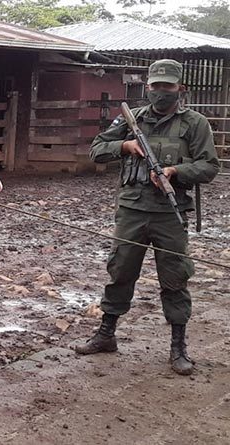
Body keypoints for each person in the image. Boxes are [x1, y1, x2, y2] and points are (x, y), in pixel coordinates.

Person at [77, 59, 220, 375]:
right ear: (148, 87)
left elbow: (210, 166)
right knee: (120, 272)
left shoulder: (195, 124)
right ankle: (106, 334)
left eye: (167, 86)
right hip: (131, 211)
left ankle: (178, 346)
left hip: (170, 214)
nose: (160, 92)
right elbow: (96, 149)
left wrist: (175, 171)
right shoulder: (132, 120)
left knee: (175, 278)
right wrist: (125, 145)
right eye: (155, 86)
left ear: (180, 88)